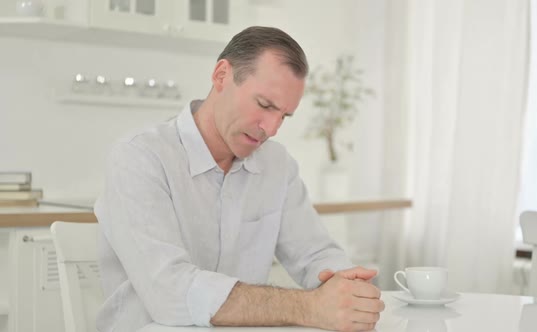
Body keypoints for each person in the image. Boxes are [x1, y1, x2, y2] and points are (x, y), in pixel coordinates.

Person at [94, 26, 384, 332]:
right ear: (221, 76)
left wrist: (347, 288)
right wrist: (309, 307)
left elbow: (314, 254)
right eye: (265, 105)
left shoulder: (277, 165)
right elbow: (170, 292)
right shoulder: (139, 157)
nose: (271, 128)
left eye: (284, 115)